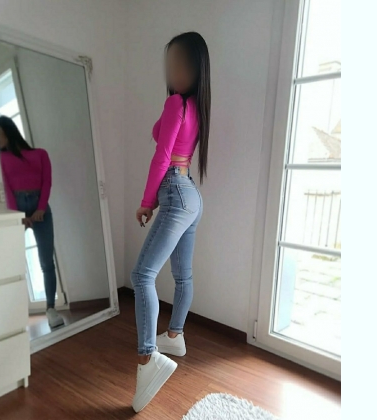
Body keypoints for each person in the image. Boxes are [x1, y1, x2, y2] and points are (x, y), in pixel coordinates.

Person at [131, 32, 211, 412]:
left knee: (141, 275)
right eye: (170, 64)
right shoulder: (196, 107)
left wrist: (147, 202)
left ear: (196, 69)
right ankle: (174, 337)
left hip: (175, 190)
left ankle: (149, 360)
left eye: (179, 64)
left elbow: (161, 157)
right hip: (191, 193)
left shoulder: (175, 102)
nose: (172, 70)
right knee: (183, 275)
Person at [0, 116, 64, 329]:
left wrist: (41, 208)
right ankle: (10, 315)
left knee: (46, 262)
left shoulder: (40, 154)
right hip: (17, 210)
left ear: (8, 132)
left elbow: (47, 182)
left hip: (41, 209)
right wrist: (18, 216)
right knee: (10, 263)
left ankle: (50, 308)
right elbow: (6, 187)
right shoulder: (0, 159)